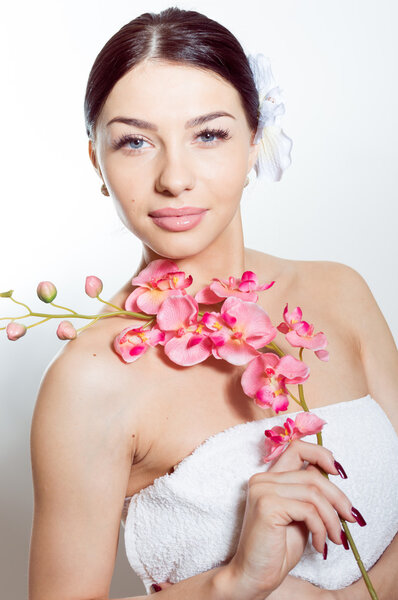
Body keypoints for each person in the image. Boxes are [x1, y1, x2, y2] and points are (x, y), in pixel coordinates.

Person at [28, 6, 398, 600]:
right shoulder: (89, 383)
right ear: (97, 161)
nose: (175, 177)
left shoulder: (340, 293)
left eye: (208, 134)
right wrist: (234, 583)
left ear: (256, 139)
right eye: (135, 141)